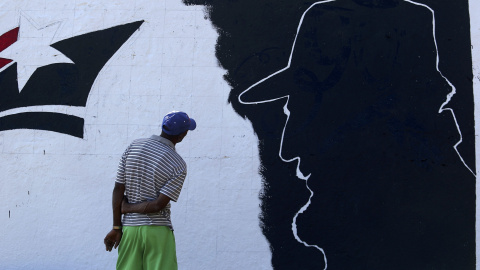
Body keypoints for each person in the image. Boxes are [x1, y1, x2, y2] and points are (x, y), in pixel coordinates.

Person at [104, 111, 196, 270]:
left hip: (129, 231)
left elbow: (118, 188)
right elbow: (157, 205)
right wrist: (127, 208)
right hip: (157, 231)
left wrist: (116, 226)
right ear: (182, 135)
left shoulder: (134, 146)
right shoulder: (178, 164)